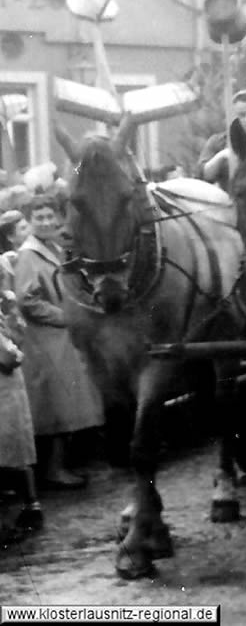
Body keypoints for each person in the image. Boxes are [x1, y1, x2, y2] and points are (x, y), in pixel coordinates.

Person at [15, 195, 104, 490]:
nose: (46, 222)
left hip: (60, 337)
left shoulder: (53, 247)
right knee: (57, 406)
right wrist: (66, 316)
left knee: (66, 403)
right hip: (45, 340)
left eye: (50, 216)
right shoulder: (29, 255)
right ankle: (54, 469)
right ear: (29, 222)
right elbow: (28, 300)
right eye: (38, 218)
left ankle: (63, 464)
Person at [0, 289, 43, 537]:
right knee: (11, 451)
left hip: (9, 391)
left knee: (15, 450)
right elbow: (7, 356)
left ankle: (31, 504)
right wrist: (17, 352)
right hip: (4, 390)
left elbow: (16, 336)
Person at [197, 88, 246, 192]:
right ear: (231, 116)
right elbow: (203, 175)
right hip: (227, 204)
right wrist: (222, 156)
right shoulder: (218, 142)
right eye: (242, 115)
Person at [0, 209, 30, 291]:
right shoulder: (7, 262)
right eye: (23, 228)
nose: (29, 231)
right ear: (11, 237)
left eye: (29, 226)